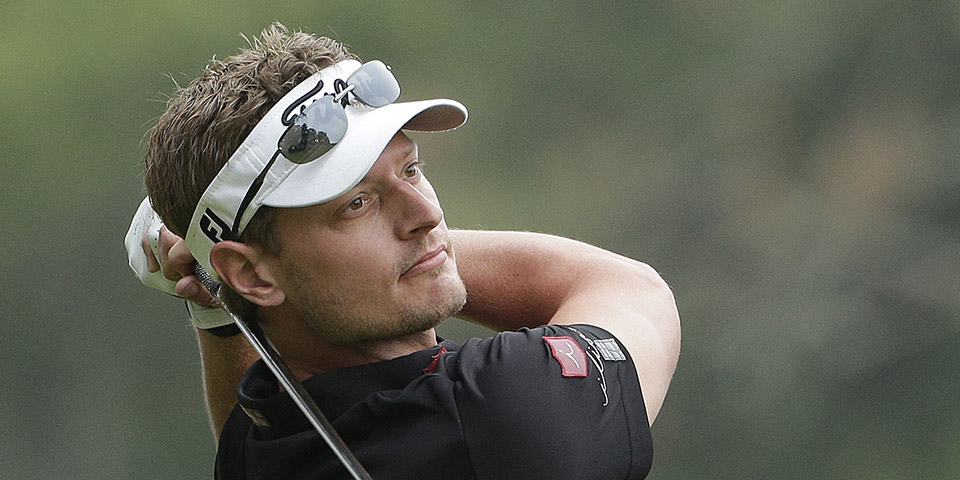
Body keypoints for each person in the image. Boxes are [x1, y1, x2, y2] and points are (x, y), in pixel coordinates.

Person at [129, 23, 680, 479]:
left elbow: (247, 425)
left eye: (411, 170)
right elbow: (632, 290)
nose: (428, 215)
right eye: (358, 204)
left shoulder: (271, 440)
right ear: (252, 273)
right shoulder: (501, 411)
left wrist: (219, 301)